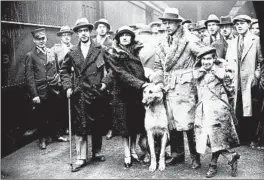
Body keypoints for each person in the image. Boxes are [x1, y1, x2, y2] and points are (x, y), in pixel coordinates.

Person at [154, 7, 202, 169]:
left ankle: (195, 157)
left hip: (186, 87)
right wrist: (159, 80)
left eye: (170, 23)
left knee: (189, 124)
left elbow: (204, 56)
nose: (167, 26)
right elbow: (157, 65)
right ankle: (177, 155)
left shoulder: (189, 39)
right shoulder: (161, 41)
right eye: (165, 23)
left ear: (177, 23)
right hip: (168, 87)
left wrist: (195, 74)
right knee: (172, 123)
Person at [60, 17, 108, 172]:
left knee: (97, 123)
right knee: (80, 125)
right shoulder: (73, 51)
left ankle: (96, 152)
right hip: (80, 94)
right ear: (77, 34)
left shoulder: (100, 48)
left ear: (89, 32)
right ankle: (81, 157)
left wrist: (105, 83)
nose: (83, 34)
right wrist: (67, 85)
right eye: (80, 31)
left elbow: (112, 69)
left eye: (86, 31)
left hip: (96, 92)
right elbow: (64, 70)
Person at [102, 25, 148, 168]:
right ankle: (127, 153)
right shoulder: (114, 54)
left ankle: (133, 150)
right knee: (124, 126)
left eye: (128, 35)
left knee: (134, 124)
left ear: (132, 37)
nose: (125, 37)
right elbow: (121, 74)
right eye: (122, 35)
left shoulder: (139, 51)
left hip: (136, 93)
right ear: (117, 38)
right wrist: (141, 84)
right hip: (122, 93)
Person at [193, 46, 240, 178]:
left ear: (214, 59)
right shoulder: (198, 73)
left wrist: (226, 107)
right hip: (202, 110)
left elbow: (231, 91)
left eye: (209, 59)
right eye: (203, 59)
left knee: (215, 139)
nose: (206, 62)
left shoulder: (222, 72)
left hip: (217, 111)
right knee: (206, 139)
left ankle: (213, 166)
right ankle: (230, 156)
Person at [225, 15, 263, 146]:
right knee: (238, 107)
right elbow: (228, 61)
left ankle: (251, 137)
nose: (239, 26)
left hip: (250, 80)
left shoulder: (256, 40)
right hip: (236, 80)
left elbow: (260, 61)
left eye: (242, 23)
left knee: (252, 108)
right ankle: (240, 137)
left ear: (248, 25)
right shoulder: (233, 42)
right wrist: (229, 75)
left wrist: (257, 75)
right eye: (237, 24)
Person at [25, 28, 61, 150]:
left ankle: (56, 135)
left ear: (46, 39)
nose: (41, 41)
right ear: (34, 41)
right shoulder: (30, 56)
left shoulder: (52, 52)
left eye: (43, 39)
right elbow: (29, 77)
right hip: (41, 91)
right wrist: (34, 95)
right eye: (38, 39)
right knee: (41, 116)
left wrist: (57, 82)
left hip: (54, 89)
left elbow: (57, 70)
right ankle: (42, 139)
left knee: (55, 113)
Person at [52, 25, 74, 142]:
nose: (66, 37)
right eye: (64, 35)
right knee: (60, 107)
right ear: (60, 37)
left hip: (72, 81)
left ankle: (69, 128)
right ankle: (60, 132)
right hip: (60, 82)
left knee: (71, 106)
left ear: (71, 36)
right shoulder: (55, 49)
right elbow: (54, 67)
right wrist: (58, 81)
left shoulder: (75, 48)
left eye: (68, 35)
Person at [93, 18, 114, 140]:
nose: (101, 29)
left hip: (107, 74)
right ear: (96, 29)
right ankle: (100, 127)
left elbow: (112, 61)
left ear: (107, 29)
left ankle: (110, 128)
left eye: (104, 27)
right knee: (97, 102)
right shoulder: (92, 42)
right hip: (95, 75)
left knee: (109, 103)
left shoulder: (111, 43)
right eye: (99, 27)